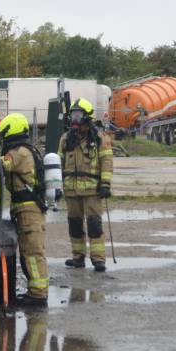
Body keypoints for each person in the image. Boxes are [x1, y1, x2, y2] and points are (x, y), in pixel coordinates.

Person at [0, 113, 49, 307]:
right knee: (28, 251)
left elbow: (2, 164)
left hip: (29, 210)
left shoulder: (20, 152)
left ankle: (38, 295)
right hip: (25, 209)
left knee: (33, 253)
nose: (1, 138)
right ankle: (35, 292)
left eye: (3, 134)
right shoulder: (24, 149)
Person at [58, 98, 114, 272]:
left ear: (87, 116)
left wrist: (105, 184)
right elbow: (58, 162)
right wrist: (55, 186)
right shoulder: (66, 138)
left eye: (78, 115)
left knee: (94, 225)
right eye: (72, 115)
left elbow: (106, 161)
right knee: (74, 224)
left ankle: (98, 260)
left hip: (92, 190)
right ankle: (78, 257)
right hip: (71, 190)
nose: (74, 119)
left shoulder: (99, 138)